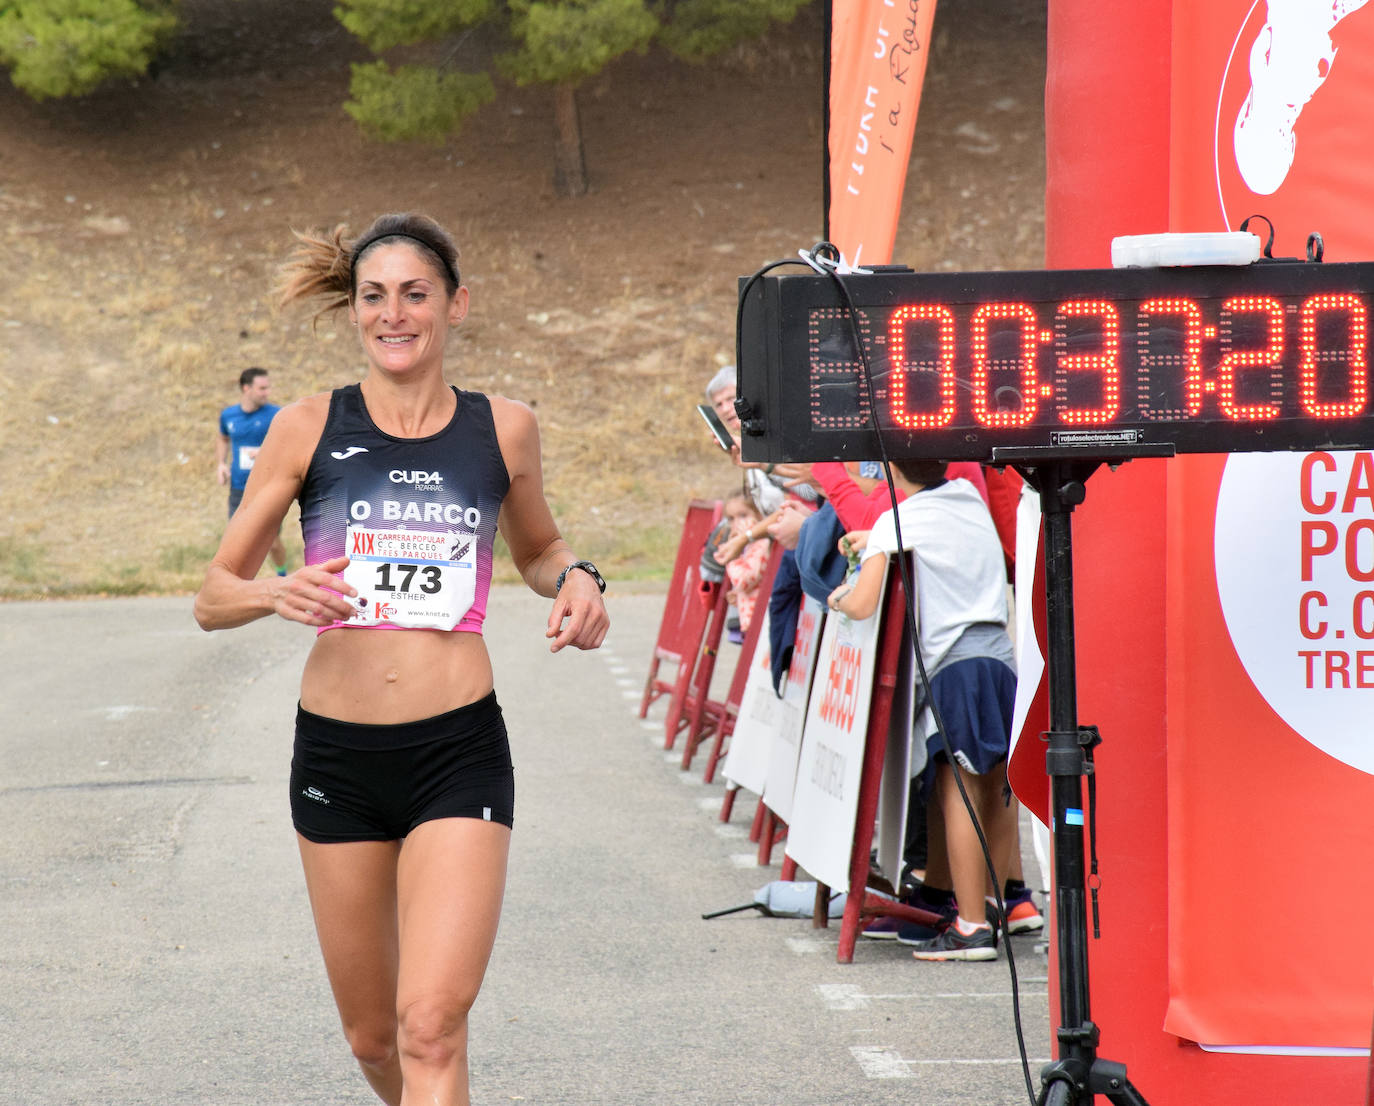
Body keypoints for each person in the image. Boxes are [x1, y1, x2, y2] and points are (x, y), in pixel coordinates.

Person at [193, 212, 610, 1106]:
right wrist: (276, 591)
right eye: (374, 297)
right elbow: (212, 593)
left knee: (430, 1026)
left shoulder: (504, 428)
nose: (394, 315)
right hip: (338, 762)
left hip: (457, 753)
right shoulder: (307, 428)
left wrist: (577, 575)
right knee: (374, 1035)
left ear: (456, 306)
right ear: (354, 311)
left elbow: (538, 550)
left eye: (415, 295)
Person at [827, 457, 1018, 962]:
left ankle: (972, 926)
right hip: (999, 655)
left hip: (953, 664)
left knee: (961, 790)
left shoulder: (899, 518)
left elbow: (864, 602)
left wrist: (839, 599)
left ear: (891, 468)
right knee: (993, 786)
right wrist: (874, 539)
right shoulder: (967, 500)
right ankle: (987, 905)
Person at [217, 366, 289, 576]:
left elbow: (288, 445)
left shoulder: (277, 415)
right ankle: (235, 585)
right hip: (239, 488)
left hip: (268, 489)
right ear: (246, 388)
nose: (267, 392)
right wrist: (221, 463)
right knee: (236, 540)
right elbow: (223, 437)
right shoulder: (228, 415)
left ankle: (282, 574)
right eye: (262, 388)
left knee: (272, 543)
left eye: (268, 388)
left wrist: (267, 453)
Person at [717, 489, 771, 642]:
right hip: (750, 620)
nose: (737, 523)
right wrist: (738, 593)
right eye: (731, 519)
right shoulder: (750, 547)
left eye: (743, 515)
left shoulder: (762, 544)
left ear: (760, 515)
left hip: (759, 621)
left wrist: (731, 557)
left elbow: (745, 579)